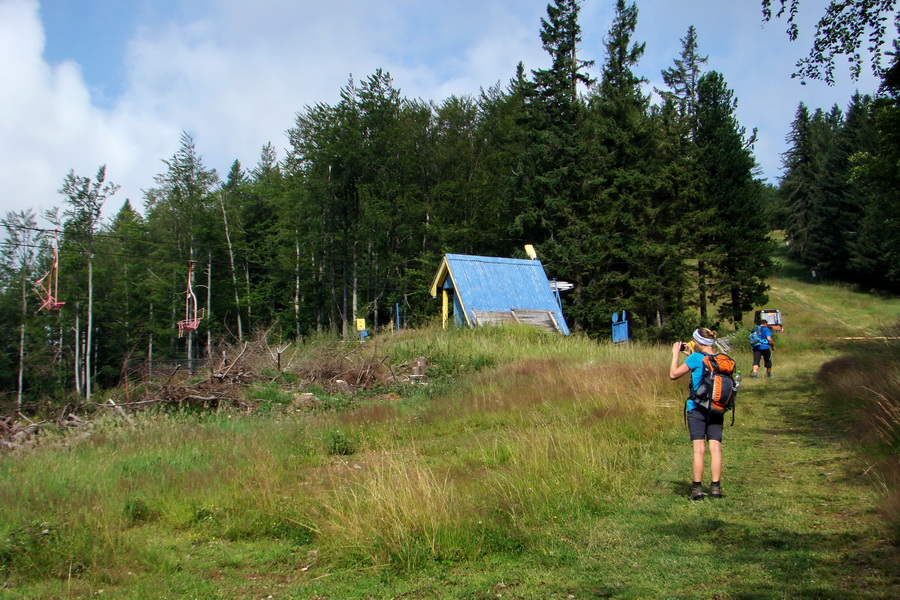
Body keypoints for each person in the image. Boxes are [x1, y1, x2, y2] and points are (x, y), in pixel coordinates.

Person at [670, 327, 724, 501]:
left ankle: (697, 490)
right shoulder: (719, 359)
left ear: (698, 342)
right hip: (716, 407)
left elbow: (673, 374)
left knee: (698, 450)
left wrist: (675, 355)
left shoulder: (695, 358)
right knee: (715, 449)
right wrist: (690, 354)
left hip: (697, 408)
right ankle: (715, 488)